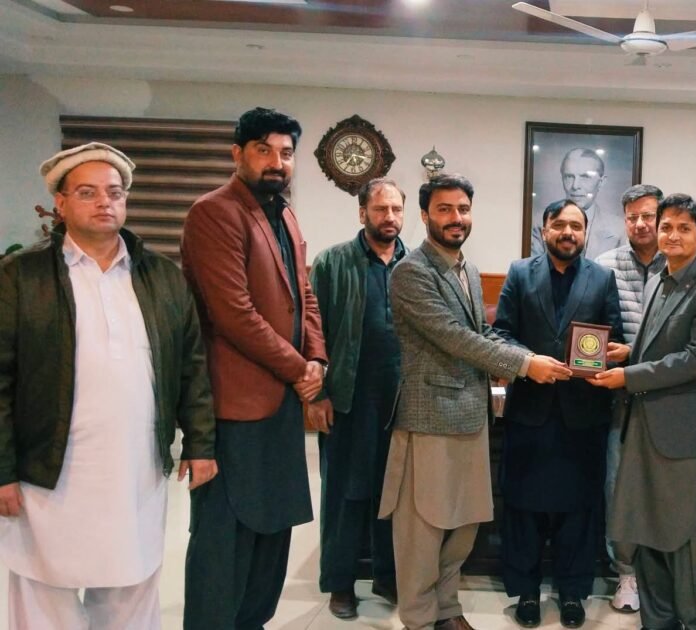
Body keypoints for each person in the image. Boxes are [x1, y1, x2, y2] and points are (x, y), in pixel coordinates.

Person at [0, 143, 217, 629]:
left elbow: (191, 366)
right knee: (44, 591)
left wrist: (201, 443)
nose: (104, 202)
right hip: (47, 472)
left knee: (130, 586)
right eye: (87, 192)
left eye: (115, 193)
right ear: (60, 203)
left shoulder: (161, 276)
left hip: (135, 471)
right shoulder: (20, 276)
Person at [378, 173, 572, 630]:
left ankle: (447, 608)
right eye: (444, 209)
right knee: (423, 530)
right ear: (425, 215)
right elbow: (455, 338)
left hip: (471, 416)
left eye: (463, 209)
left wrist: (531, 357)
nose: (456, 218)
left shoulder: (465, 267)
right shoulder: (411, 272)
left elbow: (483, 333)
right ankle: (419, 618)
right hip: (429, 417)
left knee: (463, 527)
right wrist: (526, 364)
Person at [180, 107, 328, 629]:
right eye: (264, 150)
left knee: (271, 535)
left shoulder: (282, 214)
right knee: (225, 542)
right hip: (235, 406)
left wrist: (317, 359)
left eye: (286, 153)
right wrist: (298, 369)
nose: (276, 162)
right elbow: (233, 313)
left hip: (280, 406)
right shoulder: (214, 212)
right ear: (237, 153)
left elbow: (304, 294)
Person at [592, 193, 696, 630]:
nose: (672, 235)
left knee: (689, 546)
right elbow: (659, 343)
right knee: (648, 538)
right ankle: (657, 623)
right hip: (646, 430)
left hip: (688, 439)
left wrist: (628, 376)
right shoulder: (659, 279)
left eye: (683, 228)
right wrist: (628, 353)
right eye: (666, 227)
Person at [492, 199, 624, 628]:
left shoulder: (602, 278)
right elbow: (500, 333)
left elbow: (614, 336)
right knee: (523, 510)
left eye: (576, 226)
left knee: (578, 511)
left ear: (585, 233)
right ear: (544, 229)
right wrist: (529, 362)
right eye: (560, 224)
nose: (568, 232)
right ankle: (527, 592)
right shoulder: (519, 273)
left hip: (583, 415)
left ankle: (572, 593)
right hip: (530, 411)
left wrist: (608, 356)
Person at [308, 178, 409, 619]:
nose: (389, 217)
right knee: (345, 495)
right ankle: (340, 583)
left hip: (402, 401)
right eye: (381, 209)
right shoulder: (333, 262)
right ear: (363, 213)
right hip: (348, 398)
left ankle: (387, 576)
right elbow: (312, 333)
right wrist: (317, 394)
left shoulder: (415, 264)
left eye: (396, 209)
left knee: (393, 495)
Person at [593, 183, 666, 613]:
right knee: (618, 488)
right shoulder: (604, 266)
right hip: (619, 399)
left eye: (648, 216)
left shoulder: (680, 263)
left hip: (668, 397)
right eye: (632, 217)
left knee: (663, 489)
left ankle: (661, 572)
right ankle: (626, 572)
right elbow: (590, 332)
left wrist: (633, 354)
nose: (640, 224)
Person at [531, 148, 627, 259]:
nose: (575, 186)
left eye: (585, 177)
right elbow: (535, 266)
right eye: (569, 177)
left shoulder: (619, 228)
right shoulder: (538, 223)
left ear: (601, 182)